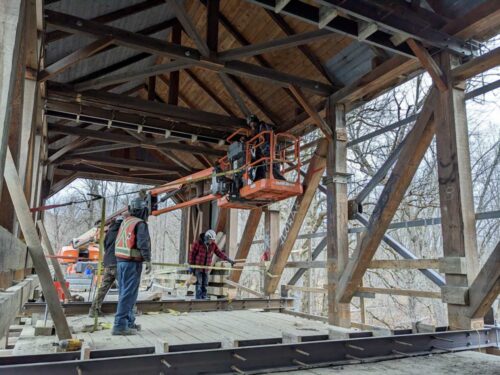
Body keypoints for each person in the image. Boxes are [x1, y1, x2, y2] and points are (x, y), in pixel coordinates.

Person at [112, 198, 152, 336]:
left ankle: (128, 322)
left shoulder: (126, 221)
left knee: (125, 293)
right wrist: (148, 260)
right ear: (143, 210)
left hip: (121, 262)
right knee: (129, 295)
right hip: (132, 263)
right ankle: (119, 325)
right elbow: (143, 243)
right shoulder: (140, 224)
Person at [88, 215, 124, 317]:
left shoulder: (108, 233)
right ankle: (128, 311)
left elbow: (105, 248)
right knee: (125, 288)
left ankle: (93, 310)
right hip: (118, 263)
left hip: (108, 263)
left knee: (103, 289)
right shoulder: (122, 231)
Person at [188, 229, 235, 300]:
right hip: (198, 268)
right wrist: (191, 266)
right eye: (210, 240)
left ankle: (203, 297)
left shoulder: (213, 245)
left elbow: (219, 253)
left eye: (212, 240)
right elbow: (192, 255)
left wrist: (229, 260)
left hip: (206, 268)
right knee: (199, 283)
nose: (211, 241)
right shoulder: (197, 244)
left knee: (205, 283)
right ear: (206, 237)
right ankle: (198, 299)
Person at [247, 115, 285, 181]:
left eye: (252, 123)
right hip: (266, 150)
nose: (252, 126)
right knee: (257, 163)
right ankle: (259, 179)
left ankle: (282, 181)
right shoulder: (259, 128)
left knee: (272, 167)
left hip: (269, 149)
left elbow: (263, 139)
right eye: (250, 124)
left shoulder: (262, 126)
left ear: (256, 122)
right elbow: (256, 138)